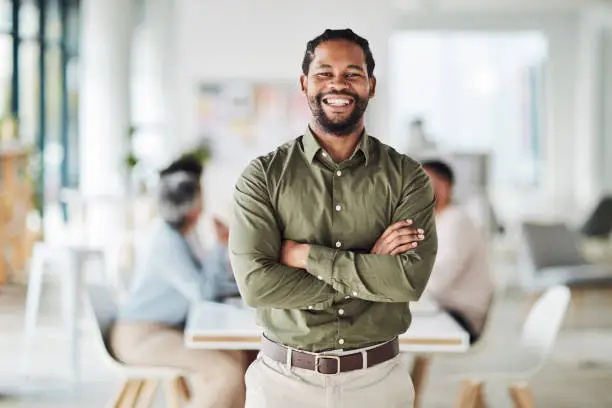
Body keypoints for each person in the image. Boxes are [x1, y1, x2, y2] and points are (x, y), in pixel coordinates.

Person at [229, 29, 438, 408]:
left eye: (352, 73)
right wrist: (370, 269)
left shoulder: (407, 176)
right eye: (324, 73)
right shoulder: (263, 176)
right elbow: (256, 286)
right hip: (282, 384)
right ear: (304, 84)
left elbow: (408, 280)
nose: (338, 84)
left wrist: (307, 256)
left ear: (371, 85)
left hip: (378, 382)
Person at [110, 156, 247, 408]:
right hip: (142, 337)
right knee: (225, 373)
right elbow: (204, 293)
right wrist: (220, 246)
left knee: (238, 357)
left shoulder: (182, 237)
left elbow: (208, 284)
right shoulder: (167, 242)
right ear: (194, 205)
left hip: (166, 331)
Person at [421, 159, 494, 344]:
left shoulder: (457, 222)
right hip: (442, 309)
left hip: (461, 318)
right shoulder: (438, 221)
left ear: (445, 187)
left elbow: (437, 281)